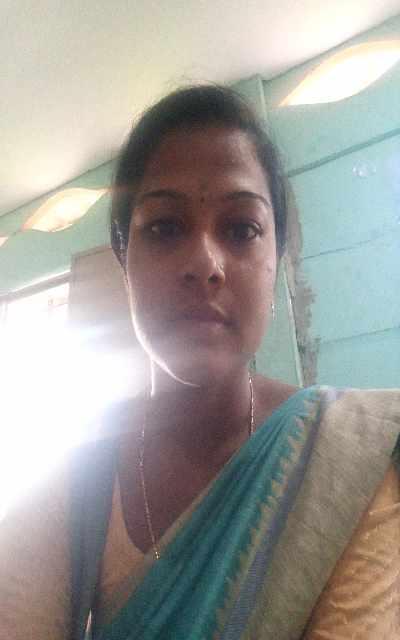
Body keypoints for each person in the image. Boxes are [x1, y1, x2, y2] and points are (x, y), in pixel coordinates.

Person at [1, 85, 399, 640]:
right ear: (125, 258)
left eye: (241, 230)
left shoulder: (347, 456)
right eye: (165, 227)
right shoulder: (71, 477)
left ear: (276, 258)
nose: (205, 263)